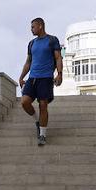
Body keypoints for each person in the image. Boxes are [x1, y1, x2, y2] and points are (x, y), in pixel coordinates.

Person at [17, 17, 64, 147]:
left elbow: (58, 57)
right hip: (32, 78)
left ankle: (42, 134)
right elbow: (28, 62)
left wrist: (59, 74)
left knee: (43, 104)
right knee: (25, 102)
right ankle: (37, 121)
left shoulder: (52, 40)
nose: (31, 29)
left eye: (33, 27)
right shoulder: (31, 43)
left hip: (46, 77)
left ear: (40, 26)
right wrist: (21, 77)